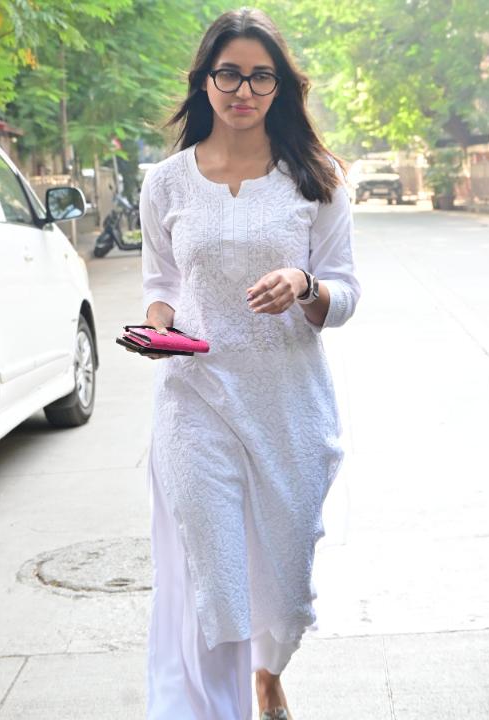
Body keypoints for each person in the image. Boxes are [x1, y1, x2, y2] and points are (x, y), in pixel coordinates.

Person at [135, 8, 360, 720]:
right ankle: (225, 703)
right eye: (228, 73)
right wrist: (156, 326)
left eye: (260, 75)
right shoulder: (165, 184)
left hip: (289, 405)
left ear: (281, 87)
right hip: (194, 401)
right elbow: (161, 285)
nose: (243, 88)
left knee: (287, 587)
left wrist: (304, 285)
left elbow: (347, 292)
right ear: (204, 82)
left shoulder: (315, 179)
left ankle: (269, 672)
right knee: (220, 582)